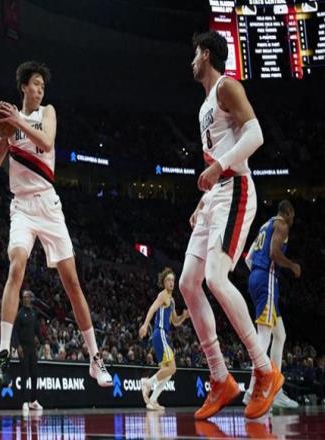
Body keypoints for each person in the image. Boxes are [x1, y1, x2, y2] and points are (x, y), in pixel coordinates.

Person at [0, 61, 112, 388]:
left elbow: (47, 142)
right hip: (22, 207)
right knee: (16, 266)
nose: (40, 90)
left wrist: (17, 122)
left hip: (48, 205)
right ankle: (3, 355)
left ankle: (95, 358)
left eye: (43, 86)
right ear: (23, 87)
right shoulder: (11, 123)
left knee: (72, 283)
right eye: (36, 84)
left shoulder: (47, 113)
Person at [178, 30, 283, 420]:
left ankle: (265, 369)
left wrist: (219, 167)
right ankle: (220, 377)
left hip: (236, 188)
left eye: (195, 54)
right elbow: (217, 157)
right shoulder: (204, 105)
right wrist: (203, 199)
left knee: (216, 279)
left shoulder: (227, 86)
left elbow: (255, 134)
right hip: (216, 196)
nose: (192, 61)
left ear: (206, 54)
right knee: (188, 283)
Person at [244, 200, 301, 408]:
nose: (293, 219)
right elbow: (274, 254)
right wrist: (292, 265)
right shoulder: (282, 225)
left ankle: (275, 391)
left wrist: (257, 276)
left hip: (256, 278)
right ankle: (253, 390)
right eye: (293, 215)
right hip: (266, 280)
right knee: (264, 335)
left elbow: (248, 259)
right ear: (288, 212)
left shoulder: (265, 225)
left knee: (280, 335)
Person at [139, 268, 189, 410]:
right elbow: (152, 309)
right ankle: (147, 383)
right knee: (172, 368)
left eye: (173, 280)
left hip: (163, 335)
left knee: (167, 372)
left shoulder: (171, 301)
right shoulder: (163, 295)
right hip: (159, 332)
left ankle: (153, 400)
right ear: (164, 282)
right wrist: (145, 325)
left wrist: (184, 316)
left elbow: (175, 322)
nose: (171, 282)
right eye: (168, 280)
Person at [13, 290, 43, 413]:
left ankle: (33, 401)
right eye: (24, 297)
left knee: (34, 374)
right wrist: (17, 346)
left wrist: (42, 341)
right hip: (23, 347)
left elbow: (37, 329)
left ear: (31, 299)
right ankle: (24, 401)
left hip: (32, 348)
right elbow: (15, 331)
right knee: (24, 375)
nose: (26, 299)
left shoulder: (33, 313)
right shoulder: (20, 314)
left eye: (28, 297)